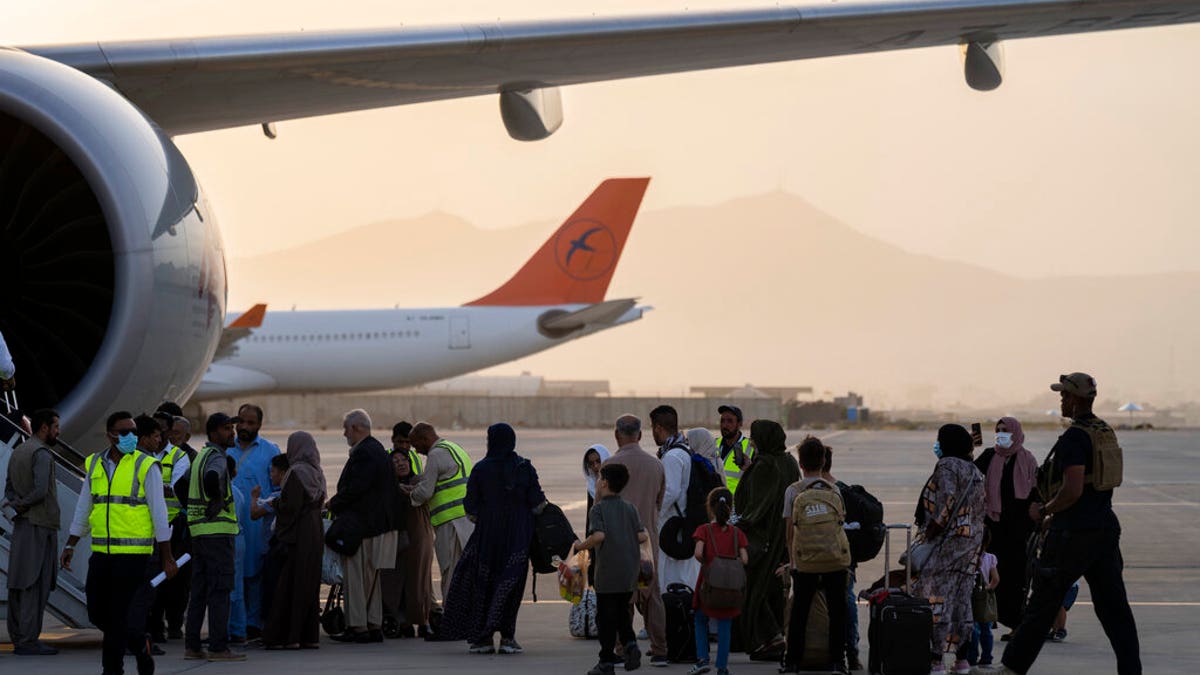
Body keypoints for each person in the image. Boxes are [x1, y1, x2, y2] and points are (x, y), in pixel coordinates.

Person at [973, 373, 1141, 675]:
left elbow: (1073, 488)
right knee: (1115, 608)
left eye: (1064, 396)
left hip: (1074, 533)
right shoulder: (1103, 431)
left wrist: (1046, 511)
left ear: (1075, 399)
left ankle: (1011, 668)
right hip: (1104, 527)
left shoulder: (1076, 437)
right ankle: (1131, 669)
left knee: (1042, 605)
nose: (1062, 400)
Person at [61, 412, 178, 675]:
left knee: (115, 614)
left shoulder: (146, 465)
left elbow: (159, 513)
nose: (130, 437)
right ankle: (139, 643)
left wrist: (167, 556)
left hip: (134, 554)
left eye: (133, 432)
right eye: (124, 432)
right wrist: (70, 544)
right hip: (102, 552)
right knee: (97, 613)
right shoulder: (94, 464)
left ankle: (112, 670)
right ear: (110, 435)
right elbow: (84, 507)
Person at [440, 423, 547, 654]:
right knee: (511, 585)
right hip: (518, 536)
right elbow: (538, 504)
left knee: (483, 585)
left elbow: (470, 508)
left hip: (487, 537)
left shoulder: (481, 469)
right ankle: (508, 637)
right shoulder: (525, 467)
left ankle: (483, 638)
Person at [913, 424, 985, 675]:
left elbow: (947, 501)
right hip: (970, 544)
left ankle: (936, 660)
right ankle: (962, 659)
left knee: (936, 597)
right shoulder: (974, 470)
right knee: (961, 600)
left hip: (948, 543)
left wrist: (932, 530)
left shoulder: (947, 466)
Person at [328, 409, 400, 643]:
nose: (344, 434)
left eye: (345, 429)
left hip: (365, 526)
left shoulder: (365, 453)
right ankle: (373, 624)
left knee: (356, 579)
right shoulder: (376, 449)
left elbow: (356, 488)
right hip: (378, 526)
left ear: (356, 428)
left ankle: (358, 627)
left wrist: (332, 504)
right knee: (371, 580)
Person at [603, 414, 669, 667]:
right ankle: (660, 648)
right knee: (652, 596)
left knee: (622, 598)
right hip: (647, 542)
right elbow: (659, 502)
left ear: (617, 434)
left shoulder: (611, 465)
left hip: (619, 543)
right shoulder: (656, 465)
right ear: (640, 435)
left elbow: (602, 506)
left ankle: (621, 649)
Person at [780, 436, 850, 675]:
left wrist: (792, 561)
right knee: (837, 611)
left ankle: (792, 662)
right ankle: (837, 661)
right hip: (834, 560)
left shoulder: (793, 490)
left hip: (804, 561)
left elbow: (790, 531)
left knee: (799, 610)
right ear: (823, 461)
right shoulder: (834, 489)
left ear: (800, 464)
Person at [732, 419, 798, 661]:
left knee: (754, 589)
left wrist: (738, 525)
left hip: (763, 538)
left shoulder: (766, 465)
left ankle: (768, 639)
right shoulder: (788, 461)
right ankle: (775, 636)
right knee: (773, 589)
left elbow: (755, 507)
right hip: (784, 535)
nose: (752, 441)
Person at [574, 462, 647, 675]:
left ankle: (605, 662)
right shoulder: (630, 507)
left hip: (608, 571)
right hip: (628, 571)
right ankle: (630, 644)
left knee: (605, 617)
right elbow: (641, 535)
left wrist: (580, 546)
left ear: (604, 483)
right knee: (622, 611)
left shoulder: (598, 509)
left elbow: (599, 536)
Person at [184, 412, 246, 662]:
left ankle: (192, 646)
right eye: (226, 428)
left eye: (232, 428)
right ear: (213, 433)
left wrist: (195, 510)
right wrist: (218, 500)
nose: (231, 432)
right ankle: (219, 648)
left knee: (199, 591)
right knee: (220, 590)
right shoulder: (218, 458)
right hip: (217, 535)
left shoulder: (200, 457)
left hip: (198, 533)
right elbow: (212, 478)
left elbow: (181, 485)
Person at [973, 417, 1039, 638]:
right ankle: (988, 620)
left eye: (1005, 430)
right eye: (998, 430)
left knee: (1016, 578)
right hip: (992, 528)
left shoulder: (1027, 459)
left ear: (1015, 432)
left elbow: (1036, 493)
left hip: (1019, 529)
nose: (1001, 434)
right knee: (990, 575)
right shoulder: (990, 456)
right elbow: (971, 476)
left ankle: (1016, 624)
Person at [4, 408, 61, 655]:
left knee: (18, 583)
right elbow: (40, 491)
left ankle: (19, 637)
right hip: (39, 525)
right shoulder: (42, 454)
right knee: (34, 584)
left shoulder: (19, 452)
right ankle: (28, 640)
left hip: (22, 525)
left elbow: (7, 489)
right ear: (44, 428)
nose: (59, 431)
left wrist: (15, 506)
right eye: (56, 426)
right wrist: (23, 504)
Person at [263, 431, 325, 650]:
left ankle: (289, 637)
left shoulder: (296, 473)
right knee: (309, 583)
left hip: (299, 533)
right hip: (315, 531)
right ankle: (309, 636)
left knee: (291, 584)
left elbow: (291, 507)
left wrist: (275, 505)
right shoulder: (317, 472)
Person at [226, 403, 281, 639]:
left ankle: (253, 623)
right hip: (230, 523)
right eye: (241, 422)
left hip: (258, 525)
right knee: (233, 575)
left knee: (255, 574)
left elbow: (278, 488)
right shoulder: (226, 450)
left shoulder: (270, 450)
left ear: (260, 425)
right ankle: (235, 624)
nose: (244, 427)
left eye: (250, 423)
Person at [405, 422, 475, 599]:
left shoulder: (435, 455)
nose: (416, 450)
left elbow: (425, 492)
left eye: (416, 445)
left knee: (450, 573)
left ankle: (453, 619)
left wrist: (409, 493)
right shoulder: (453, 448)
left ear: (425, 439)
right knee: (467, 574)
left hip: (450, 524)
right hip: (467, 521)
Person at [690, 487, 748, 675]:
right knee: (725, 623)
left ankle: (702, 659)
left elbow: (698, 553)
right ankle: (722, 667)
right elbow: (745, 559)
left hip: (708, 582)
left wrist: (709, 562)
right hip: (730, 586)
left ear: (710, 507)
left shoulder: (704, 530)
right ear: (730, 507)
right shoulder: (736, 532)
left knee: (700, 619)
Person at [147, 411, 190, 645]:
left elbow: (170, 488)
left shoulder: (178, 457)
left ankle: (173, 623)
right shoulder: (139, 456)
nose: (161, 434)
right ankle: (154, 626)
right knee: (153, 579)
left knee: (175, 579)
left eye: (164, 429)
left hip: (172, 526)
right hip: (145, 527)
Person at [651, 405, 701, 593]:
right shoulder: (684, 450)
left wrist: (654, 514)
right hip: (683, 524)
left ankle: (674, 618)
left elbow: (670, 492)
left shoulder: (672, 456)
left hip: (672, 527)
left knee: (671, 579)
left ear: (658, 427)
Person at [389, 446, 435, 637]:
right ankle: (403, 622)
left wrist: (410, 492)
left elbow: (425, 495)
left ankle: (423, 621)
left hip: (418, 538)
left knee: (419, 582)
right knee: (396, 581)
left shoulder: (419, 482)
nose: (401, 464)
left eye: (404, 460)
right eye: (395, 462)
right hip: (396, 539)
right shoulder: (389, 487)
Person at [970, 530, 1001, 666]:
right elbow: (996, 579)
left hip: (972, 595)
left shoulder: (970, 557)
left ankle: (972, 657)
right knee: (986, 629)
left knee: (973, 629)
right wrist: (988, 588)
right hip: (984, 597)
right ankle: (987, 657)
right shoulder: (990, 557)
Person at [715, 405, 753, 495]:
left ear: (740, 424)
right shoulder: (713, 444)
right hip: (716, 503)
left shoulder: (751, 447)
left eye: (730, 421)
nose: (725, 425)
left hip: (738, 504)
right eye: (722, 421)